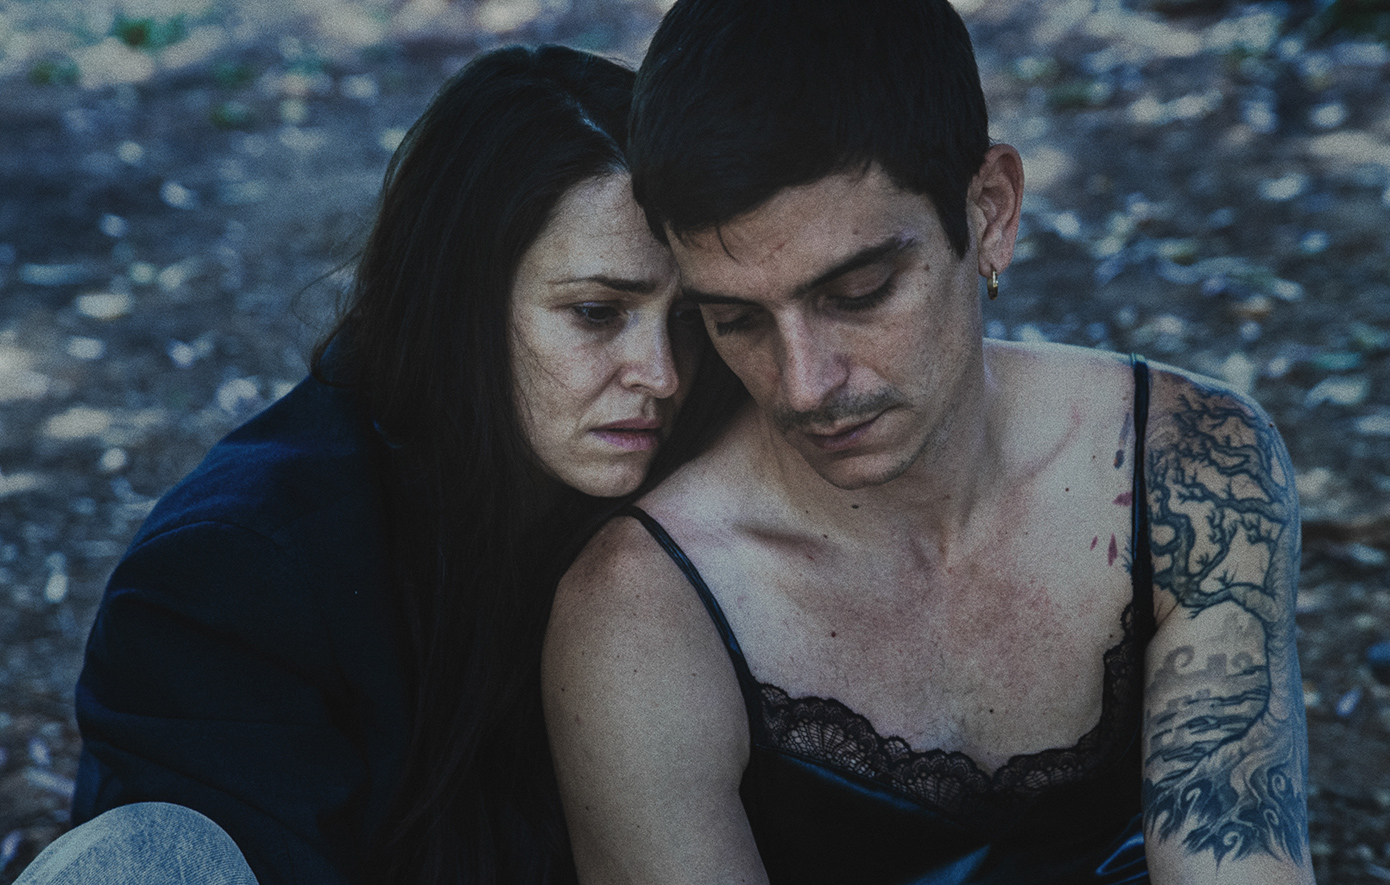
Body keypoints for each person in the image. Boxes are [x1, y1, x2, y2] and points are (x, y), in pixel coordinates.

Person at [541, 1, 1314, 883]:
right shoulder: (644, 615)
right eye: (737, 320)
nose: (804, 385)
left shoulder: (1190, 467)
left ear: (989, 211)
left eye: (859, 292)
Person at [23, 44, 740, 885]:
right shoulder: (232, 579)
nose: (662, 373)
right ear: (462, 304)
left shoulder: (705, 477)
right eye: (596, 311)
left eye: (686, 317)